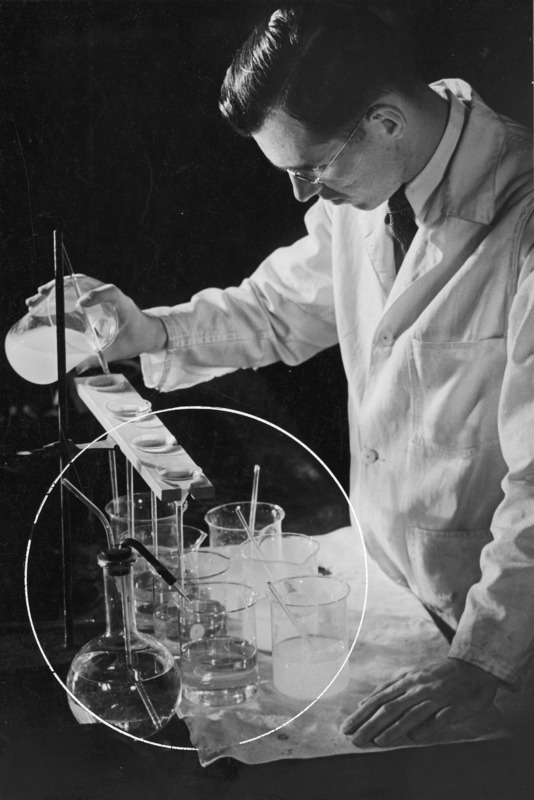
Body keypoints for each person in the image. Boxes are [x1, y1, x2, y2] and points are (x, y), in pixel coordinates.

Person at [31, 2, 534, 746]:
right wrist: (150, 331)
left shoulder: (522, 225)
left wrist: (486, 658)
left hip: (497, 638)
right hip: (394, 594)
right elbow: (275, 309)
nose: (304, 195)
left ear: (386, 122)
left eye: (314, 168)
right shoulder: (374, 185)